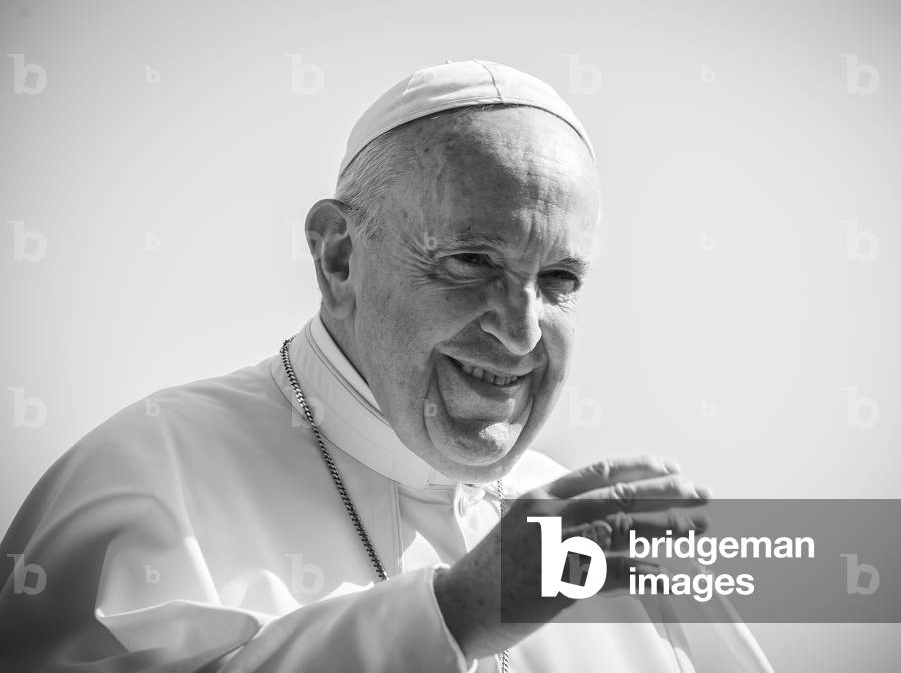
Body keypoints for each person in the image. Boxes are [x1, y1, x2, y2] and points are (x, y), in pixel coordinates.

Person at [0, 59, 773, 672]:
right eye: (472, 261)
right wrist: (458, 614)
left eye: (559, 280)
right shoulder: (147, 470)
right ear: (339, 259)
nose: (518, 332)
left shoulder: (617, 550)